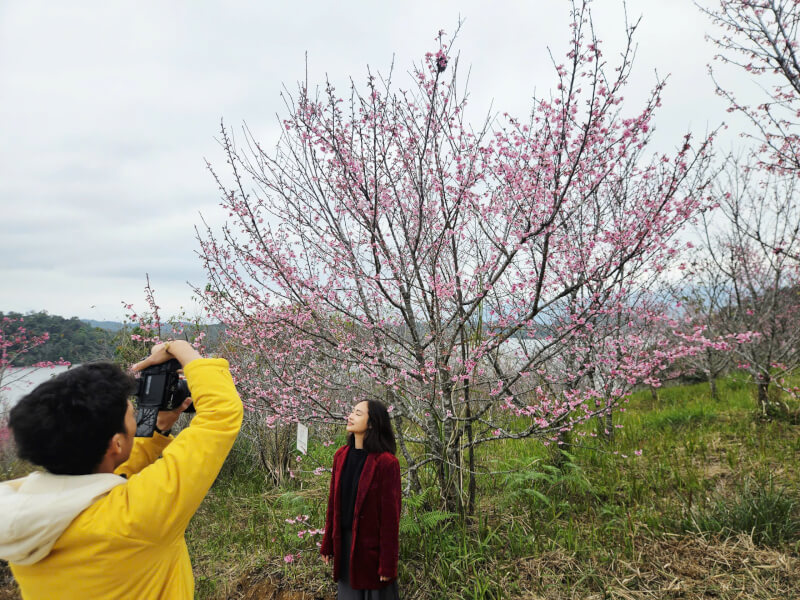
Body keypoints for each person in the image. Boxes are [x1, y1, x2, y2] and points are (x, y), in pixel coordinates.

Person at [0, 340, 243, 599]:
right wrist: (180, 347)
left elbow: (102, 478)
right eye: (131, 416)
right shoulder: (135, 519)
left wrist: (157, 429)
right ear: (116, 444)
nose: (135, 420)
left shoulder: (19, 514)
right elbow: (220, 415)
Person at [320, 399, 401, 599]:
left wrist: (388, 563)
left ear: (372, 423)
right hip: (345, 546)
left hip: (372, 551)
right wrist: (328, 543)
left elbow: (391, 518)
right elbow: (333, 506)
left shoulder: (386, 463)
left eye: (358, 413)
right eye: (352, 411)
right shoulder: (341, 456)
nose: (350, 416)